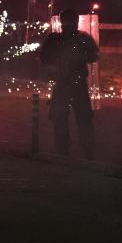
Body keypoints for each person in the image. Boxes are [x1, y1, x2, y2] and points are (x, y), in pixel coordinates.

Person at [40, 9, 99, 159]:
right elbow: (93, 56)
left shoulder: (58, 39)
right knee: (79, 116)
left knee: (64, 115)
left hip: (65, 81)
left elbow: (44, 57)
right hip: (73, 82)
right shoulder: (79, 38)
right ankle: (85, 147)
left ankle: (66, 146)